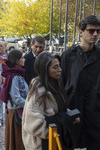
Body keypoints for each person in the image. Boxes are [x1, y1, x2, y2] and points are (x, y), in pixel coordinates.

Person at [22, 52, 78, 150]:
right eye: (55, 67)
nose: (60, 70)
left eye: (59, 66)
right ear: (45, 70)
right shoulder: (38, 91)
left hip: (55, 143)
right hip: (43, 145)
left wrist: (71, 116)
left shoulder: (55, 85)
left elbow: (59, 108)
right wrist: (60, 129)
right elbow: (32, 123)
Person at [61, 15, 100, 150]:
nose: (95, 34)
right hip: (73, 111)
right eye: (91, 30)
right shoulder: (68, 55)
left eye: (98, 31)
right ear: (81, 32)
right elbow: (61, 83)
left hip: (95, 114)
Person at [1, 50, 28, 150]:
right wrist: (29, 105)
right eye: (22, 58)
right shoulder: (15, 76)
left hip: (16, 110)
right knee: (18, 141)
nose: (23, 59)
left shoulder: (17, 74)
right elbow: (16, 97)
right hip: (16, 111)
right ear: (16, 60)